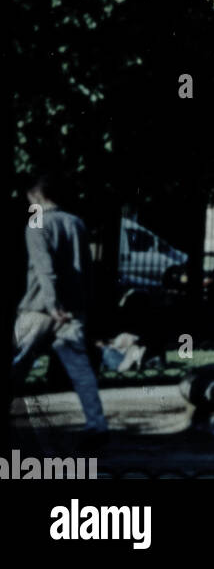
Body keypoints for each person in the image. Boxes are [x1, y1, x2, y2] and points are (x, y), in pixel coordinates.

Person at [10, 172, 108, 442]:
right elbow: (85, 269)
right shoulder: (76, 223)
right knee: (80, 369)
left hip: (40, 309)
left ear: (36, 196)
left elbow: (45, 270)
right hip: (73, 310)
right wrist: (82, 306)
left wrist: (53, 305)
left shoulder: (37, 225)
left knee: (17, 364)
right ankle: (97, 424)